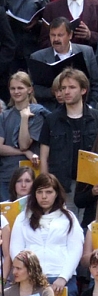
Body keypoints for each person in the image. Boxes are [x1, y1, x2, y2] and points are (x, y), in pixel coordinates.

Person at [9, 173, 84, 296]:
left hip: (60, 283)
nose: (44, 196)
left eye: (49, 192)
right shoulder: (23, 217)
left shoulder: (68, 218)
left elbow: (75, 250)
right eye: (40, 192)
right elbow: (16, 250)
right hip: (31, 284)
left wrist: (63, 278)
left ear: (57, 193)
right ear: (34, 194)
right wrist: (30, 277)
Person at [0, 73, 47, 201]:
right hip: (6, 177)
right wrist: (26, 152)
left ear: (29, 89)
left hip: (29, 178)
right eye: (13, 88)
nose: (16, 92)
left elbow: (24, 143)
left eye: (20, 88)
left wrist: (25, 118)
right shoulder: (4, 116)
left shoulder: (37, 113)